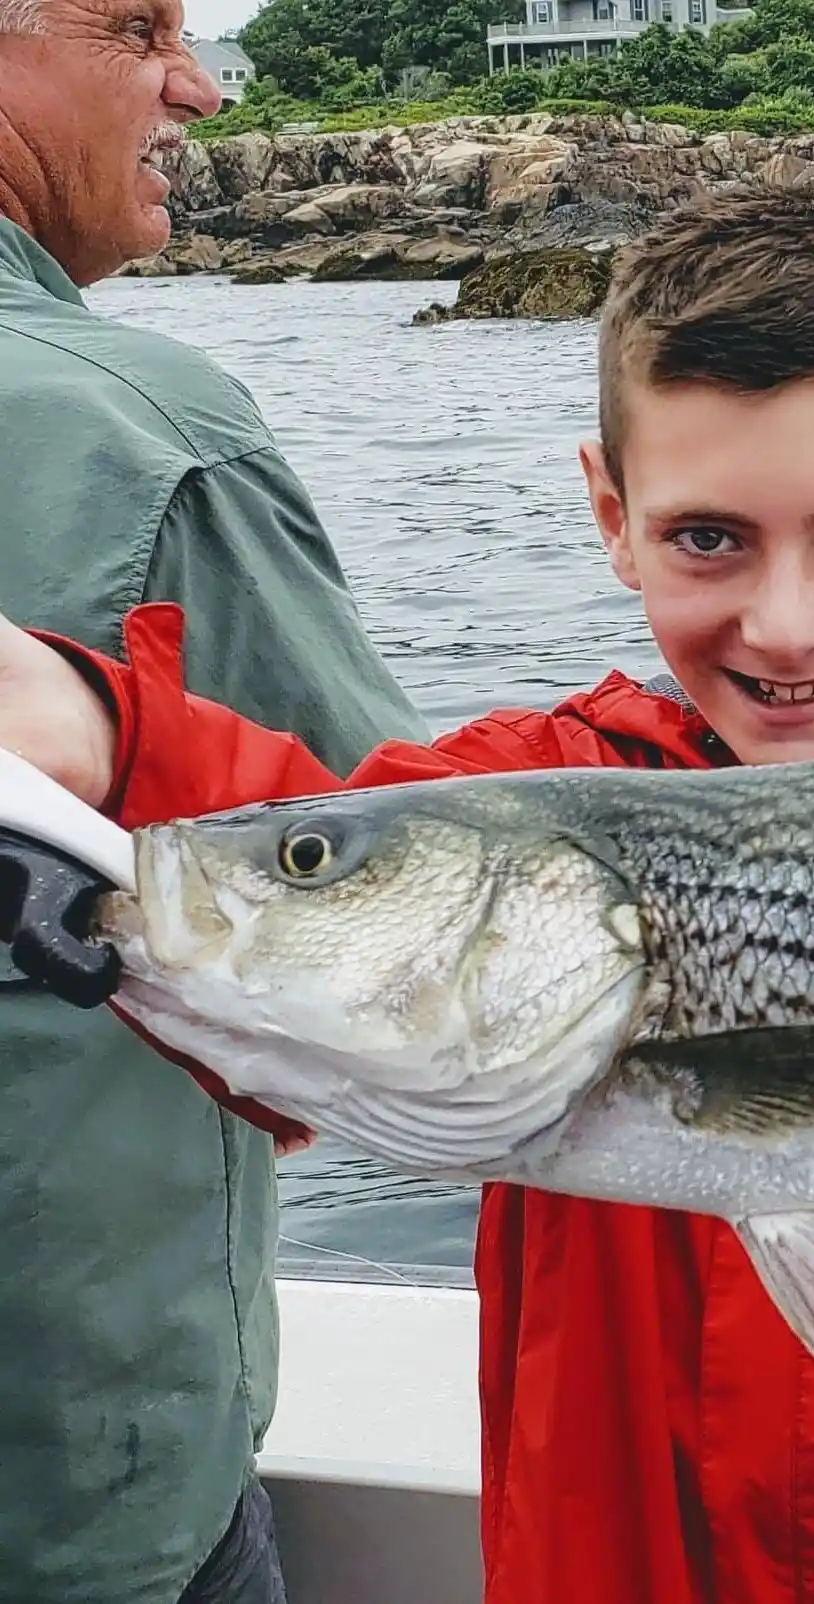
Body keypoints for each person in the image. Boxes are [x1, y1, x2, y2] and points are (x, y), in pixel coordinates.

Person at [0, 188, 814, 1603]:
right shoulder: (539, 785)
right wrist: (98, 728)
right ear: (612, 516)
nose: (787, 621)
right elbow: (324, 891)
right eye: (710, 538)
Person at [0, 2, 427, 1600]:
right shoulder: (139, 428)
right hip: (79, 1509)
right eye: (137, 26)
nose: (198, 81)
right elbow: (423, 927)